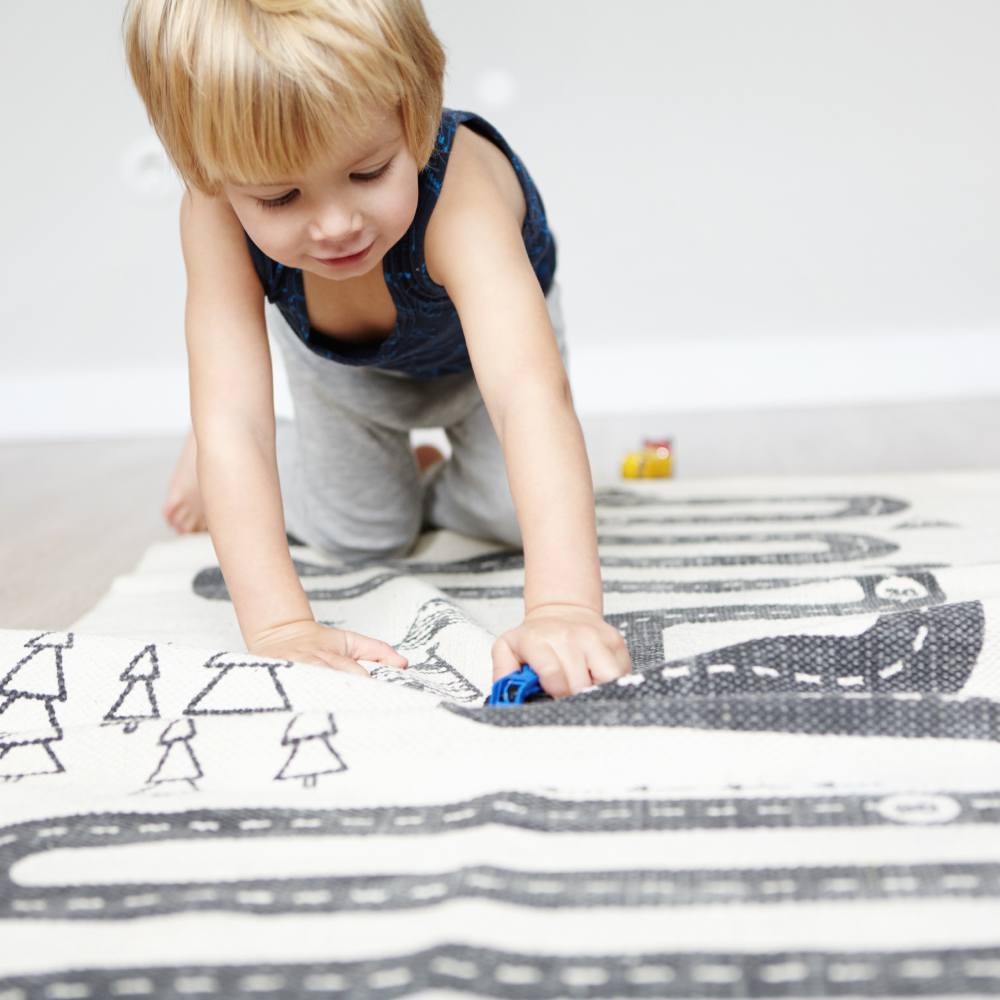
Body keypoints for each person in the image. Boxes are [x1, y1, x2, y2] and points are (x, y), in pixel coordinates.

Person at [123, 0, 633, 697]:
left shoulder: (461, 194)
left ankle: (430, 473)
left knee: (511, 517)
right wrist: (281, 628)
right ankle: (265, 457)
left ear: (415, 117)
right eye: (279, 198)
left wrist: (564, 609)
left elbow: (527, 396)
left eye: (368, 173)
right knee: (359, 536)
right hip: (340, 371)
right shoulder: (213, 212)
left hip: (483, 368)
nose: (336, 225)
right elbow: (234, 424)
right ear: (207, 171)